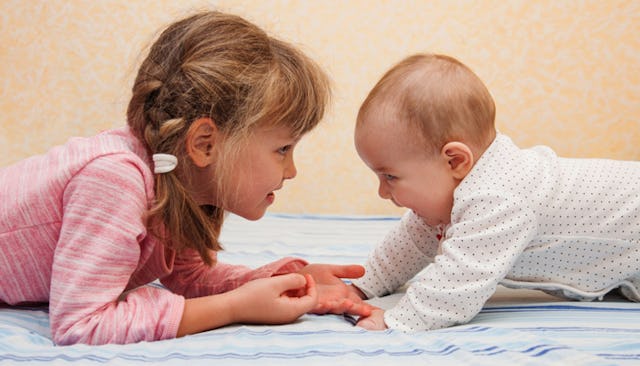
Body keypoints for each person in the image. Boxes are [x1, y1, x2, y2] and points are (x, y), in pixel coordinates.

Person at [0, 10, 370, 345]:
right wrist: (232, 309)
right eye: (283, 149)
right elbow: (81, 324)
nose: (291, 172)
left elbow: (189, 278)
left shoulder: (176, 179)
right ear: (205, 144)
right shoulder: (115, 179)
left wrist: (288, 280)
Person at [342, 53, 640, 331]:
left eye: (390, 176)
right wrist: (362, 284)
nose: (382, 191)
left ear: (455, 161)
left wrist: (400, 319)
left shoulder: (499, 197)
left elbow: (459, 283)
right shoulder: (456, 193)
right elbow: (412, 241)